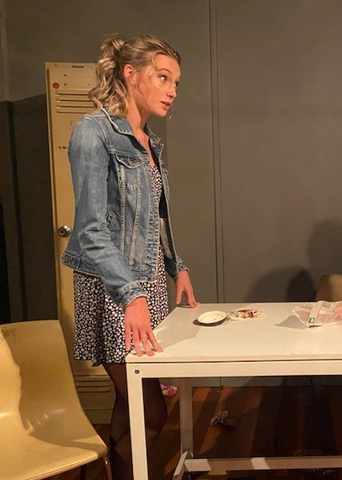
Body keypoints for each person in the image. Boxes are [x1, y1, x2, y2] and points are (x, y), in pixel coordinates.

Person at [62, 34, 198, 479]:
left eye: (175, 81)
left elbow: (153, 219)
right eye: (163, 77)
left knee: (132, 403)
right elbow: (90, 229)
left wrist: (177, 267)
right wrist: (130, 293)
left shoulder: (149, 141)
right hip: (115, 292)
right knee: (152, 413)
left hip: (150, 285)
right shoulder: (93, 131)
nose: (171, 89)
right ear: (130, 74)